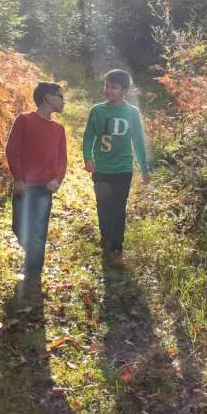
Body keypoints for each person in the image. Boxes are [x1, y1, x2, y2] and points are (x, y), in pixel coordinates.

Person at [83, 69, 150, 268]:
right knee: (103, 204)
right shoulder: (97, 110)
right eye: (107, 86)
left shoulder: (132, 112)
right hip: (101, 168)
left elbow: (138, 141)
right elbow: (88, 136)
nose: (108, 90)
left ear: (125, 91)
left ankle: (116, 248)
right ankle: (104, 233)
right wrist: (88, 157)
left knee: (118, 208)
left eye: (113, 87)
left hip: (123, 168)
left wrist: (144, 168)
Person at [5, 81, 67, 284]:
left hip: (44, 187)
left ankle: (33, 272)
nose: (64, 101)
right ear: (48, 98)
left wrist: (57, 179)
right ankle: (32, 253)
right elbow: (11, 150)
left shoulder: (59, 128)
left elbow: (62, 158)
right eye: (61, 96)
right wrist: (18, 179)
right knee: (19, 228)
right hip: (24, 186)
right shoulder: (24, 119)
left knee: (39, 230)